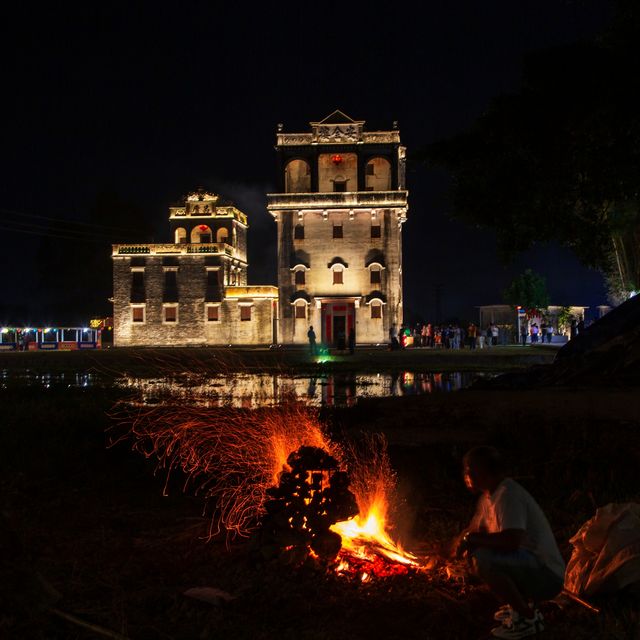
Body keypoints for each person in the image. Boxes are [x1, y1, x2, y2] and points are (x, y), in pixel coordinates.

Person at [454, 447, 565, 639]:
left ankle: (527, 618)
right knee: (476, 555)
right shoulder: (487, 497)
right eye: (465, 469)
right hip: (529, 565)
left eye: (470, 469)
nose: (466, 474)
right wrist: (457, 545)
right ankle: (519, 604)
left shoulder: (507, 495)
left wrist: (471, 540)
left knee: (484, 559)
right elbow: (473, 533)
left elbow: (512, 541)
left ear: (486, 471)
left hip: (548, 575)